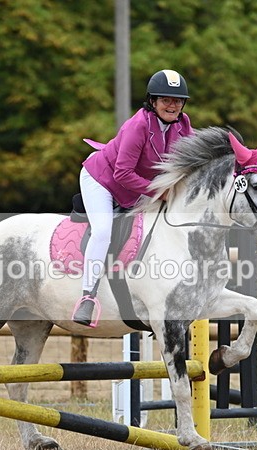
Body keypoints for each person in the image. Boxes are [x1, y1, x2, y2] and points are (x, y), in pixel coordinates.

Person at [72, 69, 194, 326]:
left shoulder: (183, 124)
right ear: (152, 101)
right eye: (166, 100)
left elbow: (192, 162)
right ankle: (88, 296)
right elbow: (122, 173)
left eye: (177, 101)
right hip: (102, 180)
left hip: (137, 186)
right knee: (103, 231)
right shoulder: (138, 126)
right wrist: (161, 192)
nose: (172, 106)